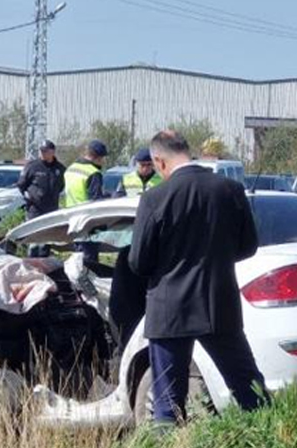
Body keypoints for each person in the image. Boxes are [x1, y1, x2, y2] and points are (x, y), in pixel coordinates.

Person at [129, 130, 266, 423]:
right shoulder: (230, 189)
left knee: (167, 405)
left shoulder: (155, 198)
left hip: (170, 311)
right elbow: (248, 246)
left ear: (159, 161)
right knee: (251, 391)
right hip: (219, 305)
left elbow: (139, 261)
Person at [17, 139, 66, 221]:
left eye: (45, 151)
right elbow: (21, 184)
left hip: (52, 209)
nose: (42, 153)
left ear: (52, 152)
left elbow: (61, 186)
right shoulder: (32, 166)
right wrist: (30, 197)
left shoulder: (60, 168)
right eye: (41, 151)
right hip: (35, 210)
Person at [60, 140, 108, 208]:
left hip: (69, 212)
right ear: (99, 158)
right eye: (103, 158)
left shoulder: (70, 169)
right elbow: (96, 201)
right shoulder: (93, 173)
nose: (104, 161)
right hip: (85, 214)